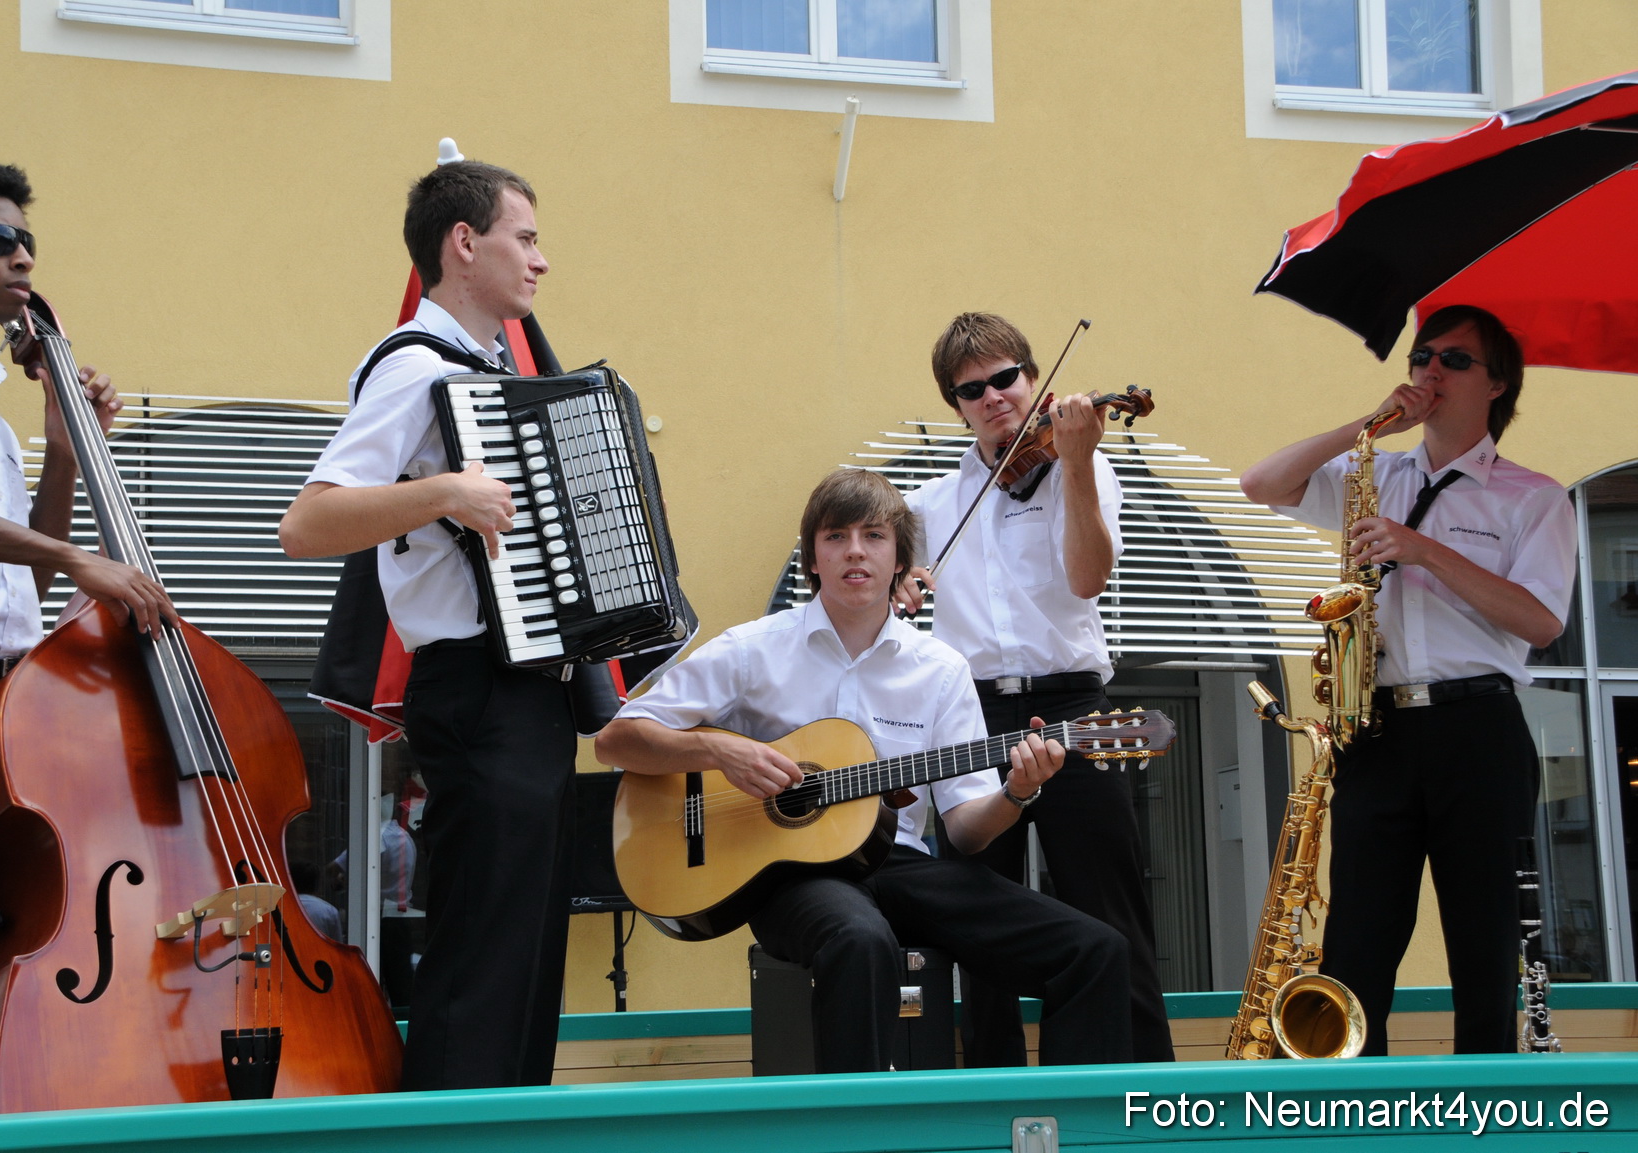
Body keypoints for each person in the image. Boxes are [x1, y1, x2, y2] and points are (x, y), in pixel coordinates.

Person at [596, 468, 1134, 1072]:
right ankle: (857, 1132)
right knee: (859, 939)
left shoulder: (940, 669)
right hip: (788, 878)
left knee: (1095, 949)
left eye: (874, 536)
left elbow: (965, 831)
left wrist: (1016, 791)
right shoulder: (752, 649)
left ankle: (1079, 1127)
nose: (855, 550)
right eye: (836, 536)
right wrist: (721, 752)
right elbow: (617, 741)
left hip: (898, 863)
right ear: (813, 559)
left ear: (901, 559)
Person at [278, 159, 571, 1091]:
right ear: (463, 243)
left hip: (527, 692)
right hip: (475, 688)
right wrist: (445, 490)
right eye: (523, 238)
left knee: (524, 966)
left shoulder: (488, 369)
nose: (540, 260)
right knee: (480, 964)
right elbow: (307, 523)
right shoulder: (414, 365)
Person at [1239, 304, 1576, 1055]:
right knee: (1356, 946)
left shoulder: (1532, 496)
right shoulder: (1374, 471)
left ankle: (1487, 1119)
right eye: (1422, 356)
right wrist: (1367, 425)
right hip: (1378, 725)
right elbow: (1259, 482)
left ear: (1496, 385)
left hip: (1477, 727)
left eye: (1454, 361)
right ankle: (1359, 1120)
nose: (1429, 371)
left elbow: (1540, 621)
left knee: (1485, 949)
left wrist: (1421, 549)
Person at [0, 149, 177, 1008]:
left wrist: (63, 450)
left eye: (27, 241)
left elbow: (25, 567)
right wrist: (75, 560)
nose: (23, 257)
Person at [894, 312, 1172, 1064]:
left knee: (1108, 902)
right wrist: (901, 586)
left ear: (1031, 375)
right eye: (970, 389)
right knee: (980, 917)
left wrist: (1077, 462)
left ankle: (1135, 1093)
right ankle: (991, 1090)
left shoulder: (1085, 468)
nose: (992, 397)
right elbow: (882, 594)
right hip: (973, 713)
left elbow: (1087, 577)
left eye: (1005, 378)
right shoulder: (925, 506)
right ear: (955, 405)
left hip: (1071, 703)